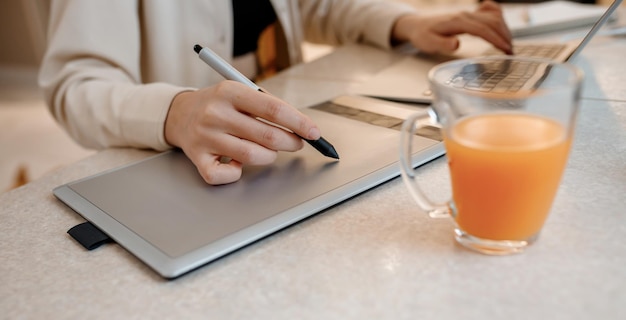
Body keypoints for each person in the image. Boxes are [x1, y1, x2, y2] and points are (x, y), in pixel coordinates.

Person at [39, 0, 512, 185]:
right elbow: (74, 86)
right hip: (191, 175)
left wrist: (405, 22)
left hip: (280, 164)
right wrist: (175, 112)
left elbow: (313, 5)